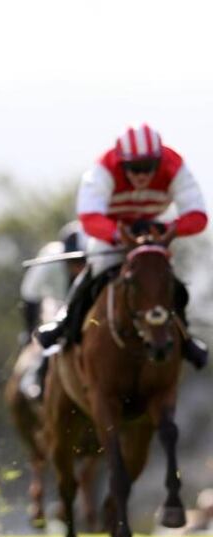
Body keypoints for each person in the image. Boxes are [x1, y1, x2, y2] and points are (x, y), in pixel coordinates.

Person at [35, 123, 208, 369]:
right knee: (96, 270)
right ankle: (65, 322)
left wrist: (168, 228)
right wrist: (119, 235)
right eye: (134, 168)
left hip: (152, 232)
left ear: (159, 161)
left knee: (165, 278)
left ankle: (185, 336)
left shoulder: (174, 165)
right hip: (112, 233)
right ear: (121, 163)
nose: (142, 175)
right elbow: (89, 217)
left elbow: (198, 216)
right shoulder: (104, 168)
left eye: (149, 167)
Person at [19, 221, 87, 347]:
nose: (79, 267)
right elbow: (30, 293)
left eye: (82, 261)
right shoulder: (48, 265)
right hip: (54, 304)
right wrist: (30, 329)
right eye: (74, 261)